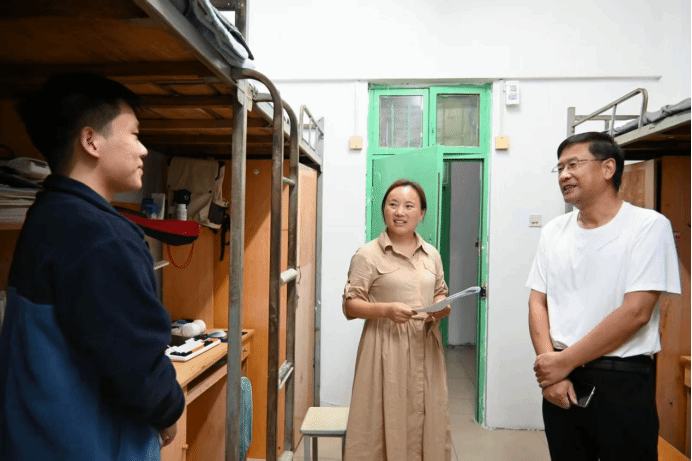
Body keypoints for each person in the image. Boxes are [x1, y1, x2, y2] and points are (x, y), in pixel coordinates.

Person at [0, 73, 185, 460]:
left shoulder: (48, 213)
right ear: (91, 141)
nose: (143, 150)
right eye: (134, 134)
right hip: (91, 446)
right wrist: (168, 409)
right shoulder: (101, 236)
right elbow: (135, 360)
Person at [526, 132, 681, 460]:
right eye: (560, 168)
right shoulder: (554, 231)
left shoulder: (648, 226)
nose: (564, 174)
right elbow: (537, 301)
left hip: (621, 377)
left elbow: (637, 311)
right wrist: (551, 372)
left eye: (574, 164)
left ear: (608, 168)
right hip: (560, 378)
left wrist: (563, 362)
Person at [342, 178, 452, 461]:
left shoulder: (432, 255)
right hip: (384, 347)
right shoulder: (367, 255)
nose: (400, 212)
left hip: (425, 347)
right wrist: (386, 310)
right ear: (384, 210)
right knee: (381, 418)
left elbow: (440, 291)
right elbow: (350, 305)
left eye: (409, 206)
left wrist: (441, 307)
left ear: (422, 213)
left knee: (426, 415)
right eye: (393, 204)